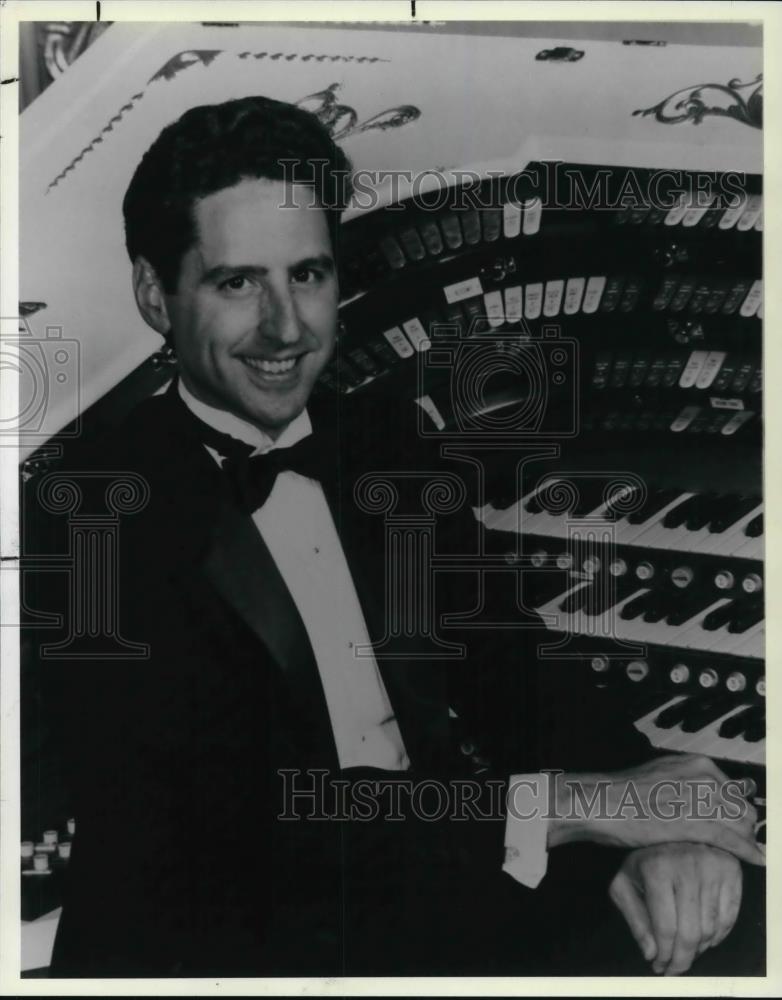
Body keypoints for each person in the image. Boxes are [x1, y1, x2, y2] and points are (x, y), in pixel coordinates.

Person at [25, 96, 764, 978]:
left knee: (737, 933)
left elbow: (516, 668)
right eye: (237, 283)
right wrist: (583, 805)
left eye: (308, 275)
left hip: (438, 878)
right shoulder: (90, 511)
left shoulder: (381, 444)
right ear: (156, 294)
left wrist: (667, 821)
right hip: (228, 940)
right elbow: (253, 821)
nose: (286, 328)